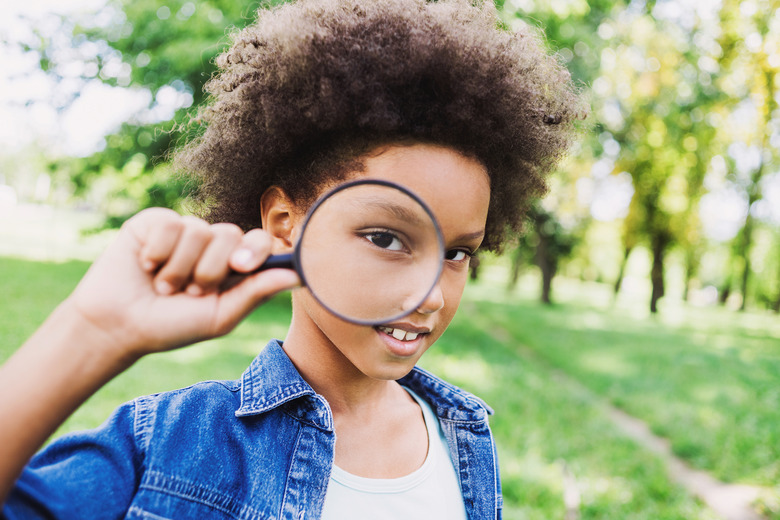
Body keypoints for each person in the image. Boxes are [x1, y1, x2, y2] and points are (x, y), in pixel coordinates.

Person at [0, 0, 583, 518]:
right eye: (385, 238)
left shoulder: (466, 443)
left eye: (458, 253)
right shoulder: (171, 445)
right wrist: (93, 332)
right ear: (285, 226)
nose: (430, 294)